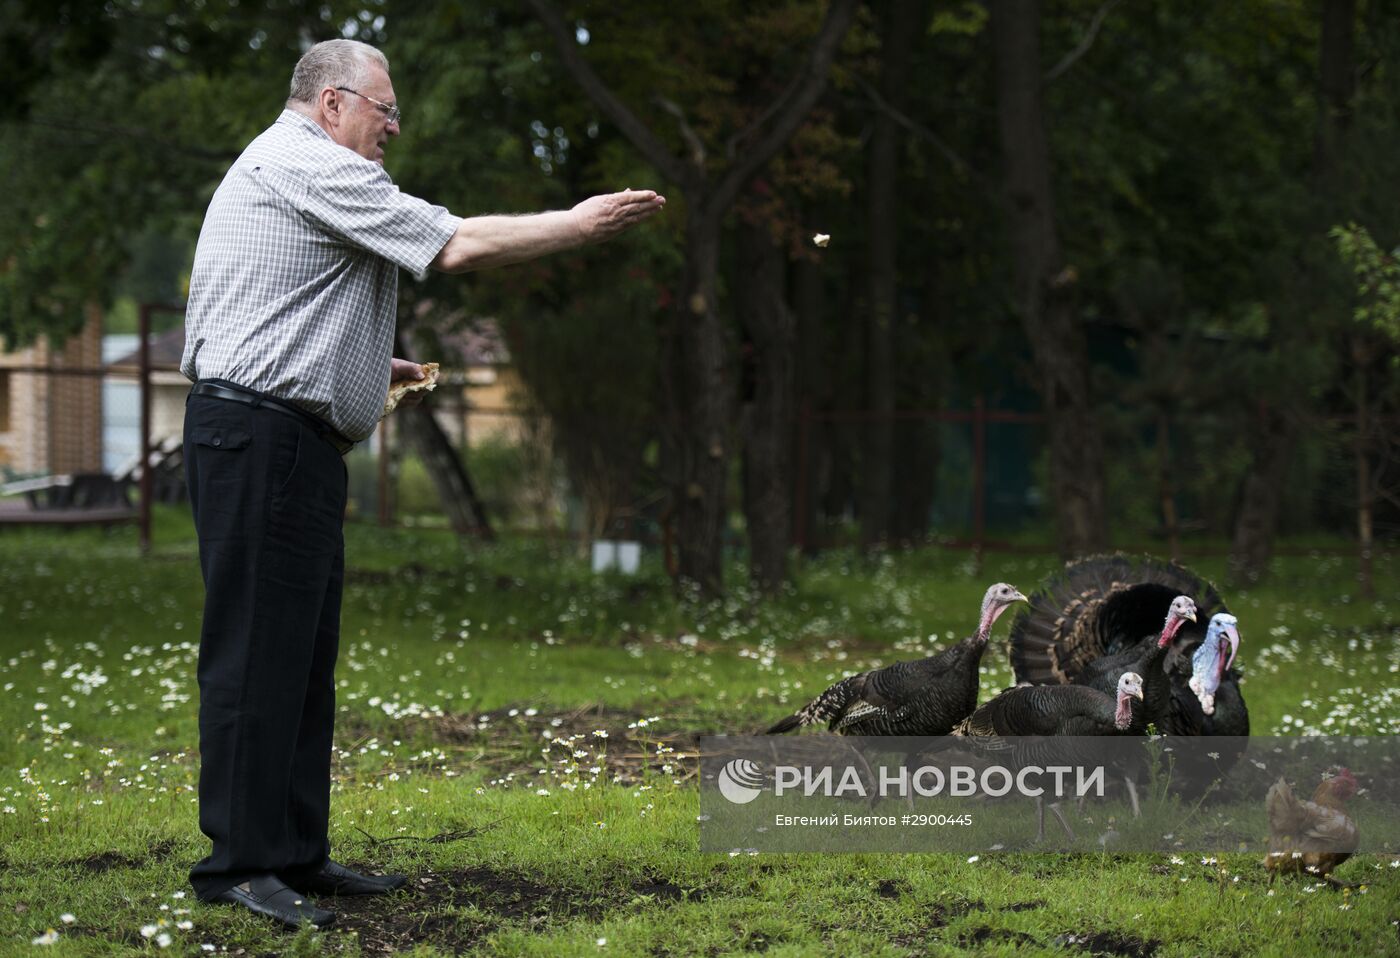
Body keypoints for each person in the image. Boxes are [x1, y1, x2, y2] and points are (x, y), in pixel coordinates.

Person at [179, 38, 664, 930]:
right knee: (255, 656)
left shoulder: (293, 168)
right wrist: (577, 223)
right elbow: (459, 243)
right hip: (260, 437)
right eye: (383, 109)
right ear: (332, 104)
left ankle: (294, 854)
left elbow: (270, 296)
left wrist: (368, 360)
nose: (392, 127)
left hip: (283, 438)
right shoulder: (306, 160)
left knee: (301, 659)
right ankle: (238, 868)